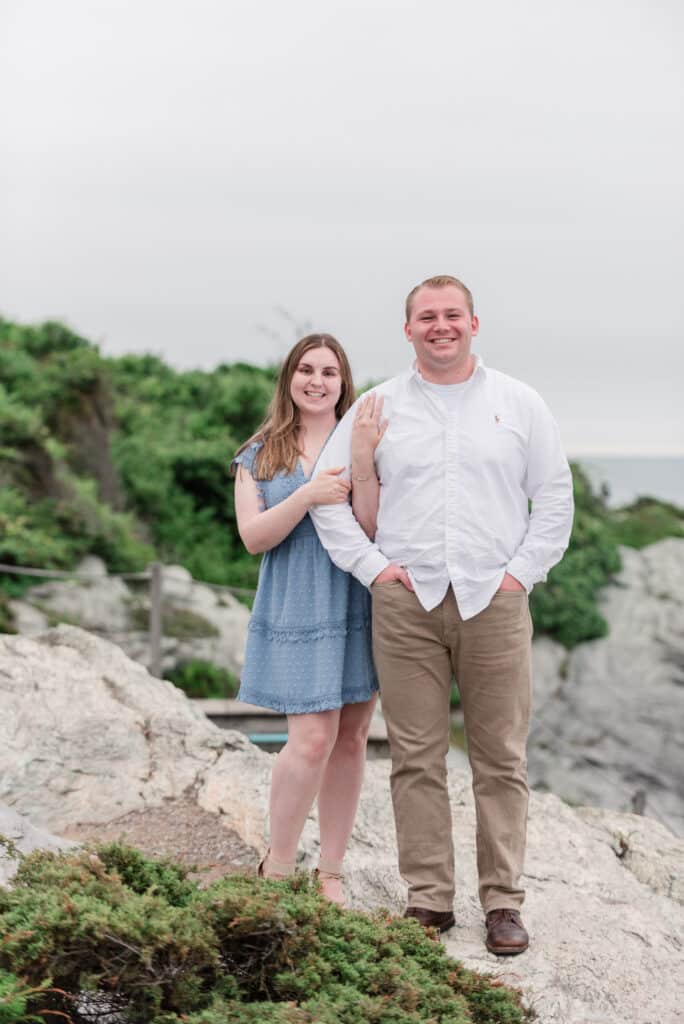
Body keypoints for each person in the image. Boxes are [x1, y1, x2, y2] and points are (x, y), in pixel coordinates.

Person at [310, 276, 574, 954]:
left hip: (496, 601)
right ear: (408, 330)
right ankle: (429, 900)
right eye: (426, 317)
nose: (440, 326)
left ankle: (503, 904)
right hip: (407, 604)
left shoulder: (519, 403)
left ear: (473, 323)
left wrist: (521, 575)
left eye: (451, 315)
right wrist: (375, 571)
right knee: (415, 757)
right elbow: (328, 500)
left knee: (501, 758)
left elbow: (555, 499)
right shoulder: (374, 406)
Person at [232, 333, 385, 905]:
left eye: (329, 372)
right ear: (289, 379)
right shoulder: (260, 452)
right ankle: (277, 864)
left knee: (351, 740)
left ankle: (331, 872)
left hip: (356, 599)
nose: (317, 381)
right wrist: (307, 496)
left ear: (343, 381)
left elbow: (372, 528)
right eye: (306, 369)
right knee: (312, 739)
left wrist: (365, 463)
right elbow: (253, 538)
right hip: (296, 601)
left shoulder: (359, 441)